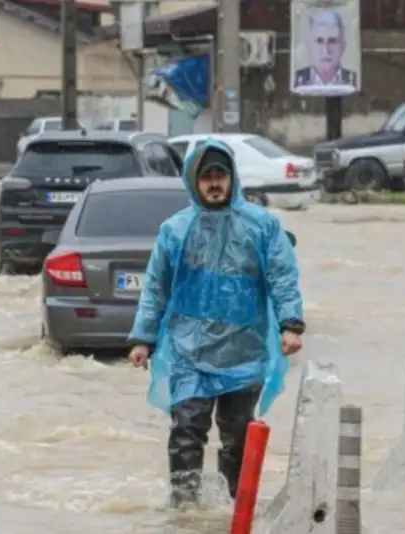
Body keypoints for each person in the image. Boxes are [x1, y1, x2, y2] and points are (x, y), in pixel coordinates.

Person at [127, 139, 305, 508]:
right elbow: (156, 286)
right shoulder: (175, 230)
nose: (213, 183)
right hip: (187, 352)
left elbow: (282, 277)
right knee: (186, 432)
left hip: (244, 350)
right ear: (194, 181)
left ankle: (234, 509)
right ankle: (185, 509)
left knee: (238, 436)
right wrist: (143, 338)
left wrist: (291, 325)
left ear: (231, 178)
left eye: (219, 174)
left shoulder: (262, 226)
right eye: (206, 176)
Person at [293, 10, 357, 88]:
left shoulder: (356, 80)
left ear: (343, 46)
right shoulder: (294, 80)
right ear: (308, 46)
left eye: (332, 41)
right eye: (319, 41)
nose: (326, 50)